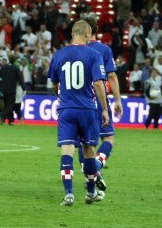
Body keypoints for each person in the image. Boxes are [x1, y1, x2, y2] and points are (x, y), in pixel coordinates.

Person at [48, 20, 109, 206]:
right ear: (88, 34)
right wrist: (104, 109)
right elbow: (98, 83)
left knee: (66, 150)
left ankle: (68, 194)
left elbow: (54, 84)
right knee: (89, 151)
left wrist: (61, 98)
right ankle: (91, 192)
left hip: (66, 110)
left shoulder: (59, 54)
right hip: (87, 110)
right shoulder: (94, 54)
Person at [83, 17, 123, 191]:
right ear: (96, 30)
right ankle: (97, 167)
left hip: (78, 101)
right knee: (108, 138)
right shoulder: (103, 49)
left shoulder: (73, 50)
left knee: (85, 143)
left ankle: (90, 172)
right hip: (98, 100)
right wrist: (118, 100)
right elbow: (112, 76)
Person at [0, 55, 22, 125]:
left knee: (6, 105)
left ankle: (10, 121)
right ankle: (2, 116)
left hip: (3, 90)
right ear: (14, 61)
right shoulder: (16, 69)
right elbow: (20, 80)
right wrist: (24, 88)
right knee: (10, 105)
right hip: (11, 90)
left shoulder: (4, 68)